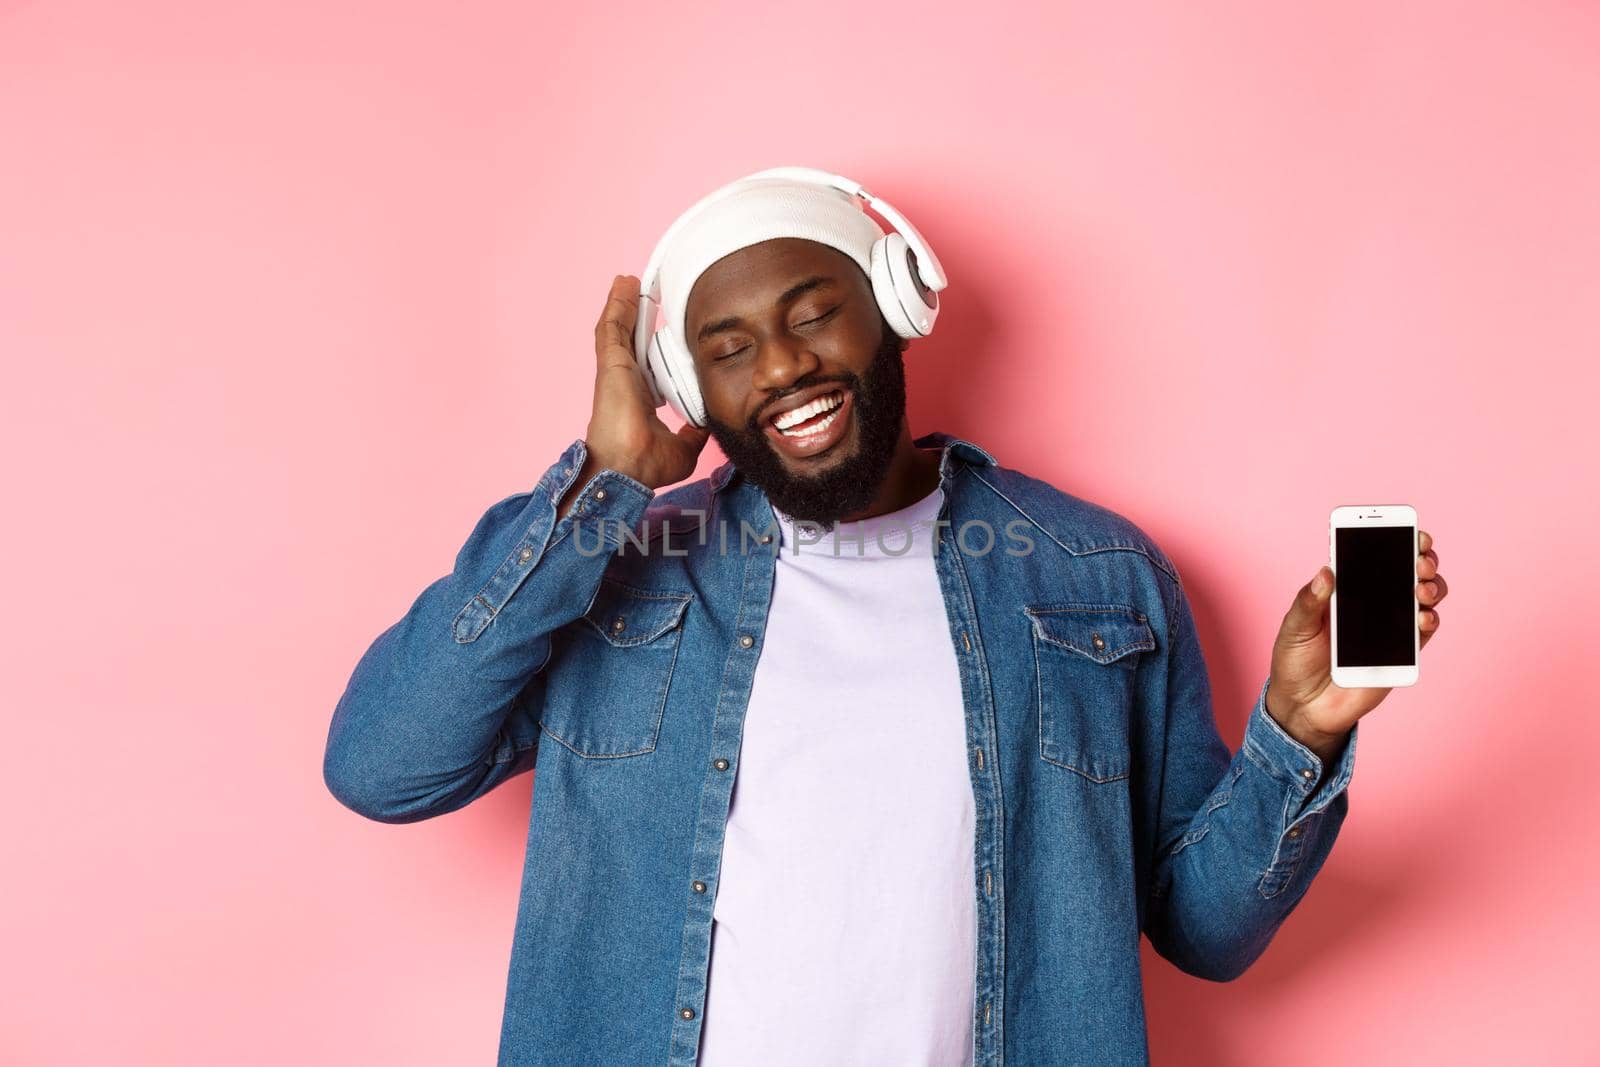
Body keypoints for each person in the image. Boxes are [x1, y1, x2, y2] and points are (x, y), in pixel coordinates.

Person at [322, 170, 1448, 1067]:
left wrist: (1298, 734)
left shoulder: (1092, 573)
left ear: (897, 312)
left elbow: (1204, 933)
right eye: (726, 349)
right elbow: (383, 764)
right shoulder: (621, 565)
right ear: (691, 390)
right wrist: (600, 489)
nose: (783, 365)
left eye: (816, 313)